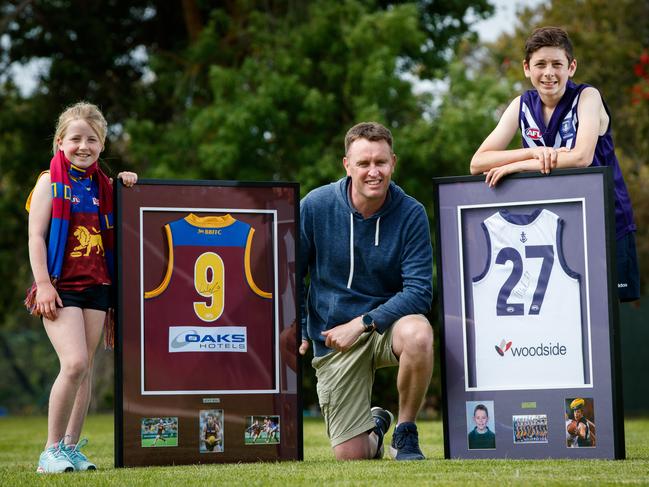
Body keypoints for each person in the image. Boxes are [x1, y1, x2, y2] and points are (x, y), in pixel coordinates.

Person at [470, 26, 639, 302]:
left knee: (609, 320)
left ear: (571, 67)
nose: (549, 72)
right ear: (526, 68)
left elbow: (581, 157)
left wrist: (518, 166)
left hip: (607, 224)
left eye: (557, 64)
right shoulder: (521, 105)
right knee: (562, 313)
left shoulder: (587, 97)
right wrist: (533, 154)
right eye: (540, 64)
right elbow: (478, 162)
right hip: (553, 228)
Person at [298, 122, 434, 461]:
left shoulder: (411, 213)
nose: (373, 171)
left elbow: (419, 292)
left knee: (419, 333)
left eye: (381, 162)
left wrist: (362, 323)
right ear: (347, 165)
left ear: (393, 163)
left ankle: (405, 433)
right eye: (364, 163)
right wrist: (300, 327)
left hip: (385, 327)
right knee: (352, 455)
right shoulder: (314, 206)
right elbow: (290, 276)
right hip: (332, 337)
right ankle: (374, 426)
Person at [26, 102, 137, 473]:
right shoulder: (49, 181)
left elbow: (130, 216)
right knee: (72, 364)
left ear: (102, 145)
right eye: (75, 138)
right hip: (60, 286)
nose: (83, 146)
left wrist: (128, 183)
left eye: (92, 139)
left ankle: (71, 448)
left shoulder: (104, 185)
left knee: (85, 369)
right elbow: (36, 236)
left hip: (97, 286)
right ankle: (50, 451)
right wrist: (42, 283)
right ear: (60, 142)